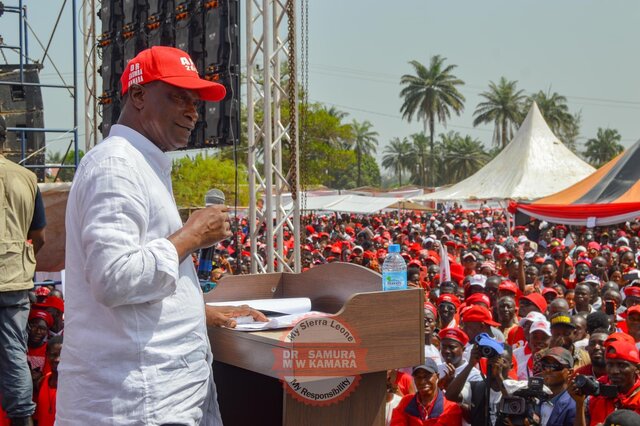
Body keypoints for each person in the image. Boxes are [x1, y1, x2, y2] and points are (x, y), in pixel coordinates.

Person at [56, 46, 266, 425]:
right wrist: (191, 236)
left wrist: (198, 312)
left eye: (196, 102)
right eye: (179, 97)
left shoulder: (141, 163)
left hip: (165, 394)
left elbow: (138, 283)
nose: (192, 111)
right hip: (139, 401)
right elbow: (114, 278)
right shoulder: (115, 166)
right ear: (138, 95)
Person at [0, 130, 46, 426]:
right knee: (15, 350)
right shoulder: (27, 178)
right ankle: (22, 419)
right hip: (15, 279)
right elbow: (38, 236)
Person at [446, 343, 520, 426]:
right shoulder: (475, 387)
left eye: (502, 361)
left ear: (511, 366)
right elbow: (450, 395)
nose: (496, 364)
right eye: (493, 360)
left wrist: (499, 377)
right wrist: (471, 364)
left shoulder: (518, 388)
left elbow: (514, 404)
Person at [569, 340, 640, 425]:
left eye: (622, 365)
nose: (614, 371)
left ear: (637, 368)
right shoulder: (595, 397)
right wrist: (579, 404)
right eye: (610, 364)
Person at [390, 359, 463, 426]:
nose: (422, 381)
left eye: (427, 376)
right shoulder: (406, 402)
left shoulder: (451, 408)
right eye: (418, 377)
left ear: (437, 376)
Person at [536, 347, 576, 426]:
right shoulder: (535, 399)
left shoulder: (573, 405)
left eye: (555, 366)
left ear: (570, 372)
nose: (548, 370)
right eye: (545, 366)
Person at [33, 335, 63, 426]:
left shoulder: (72, 385)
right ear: (47, 355)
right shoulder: (41, 382)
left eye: (62, 355)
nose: (57, 359)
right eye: (53, 355)